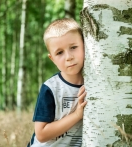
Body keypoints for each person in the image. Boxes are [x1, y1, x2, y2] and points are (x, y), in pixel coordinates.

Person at [28, 18, 87, 147]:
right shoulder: (50, 88)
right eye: (59, 52)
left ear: (85, 45)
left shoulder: (96, 84)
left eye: (73, 47)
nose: (69, 57)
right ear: (52, 59)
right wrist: (77, 115)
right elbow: (41, 134)